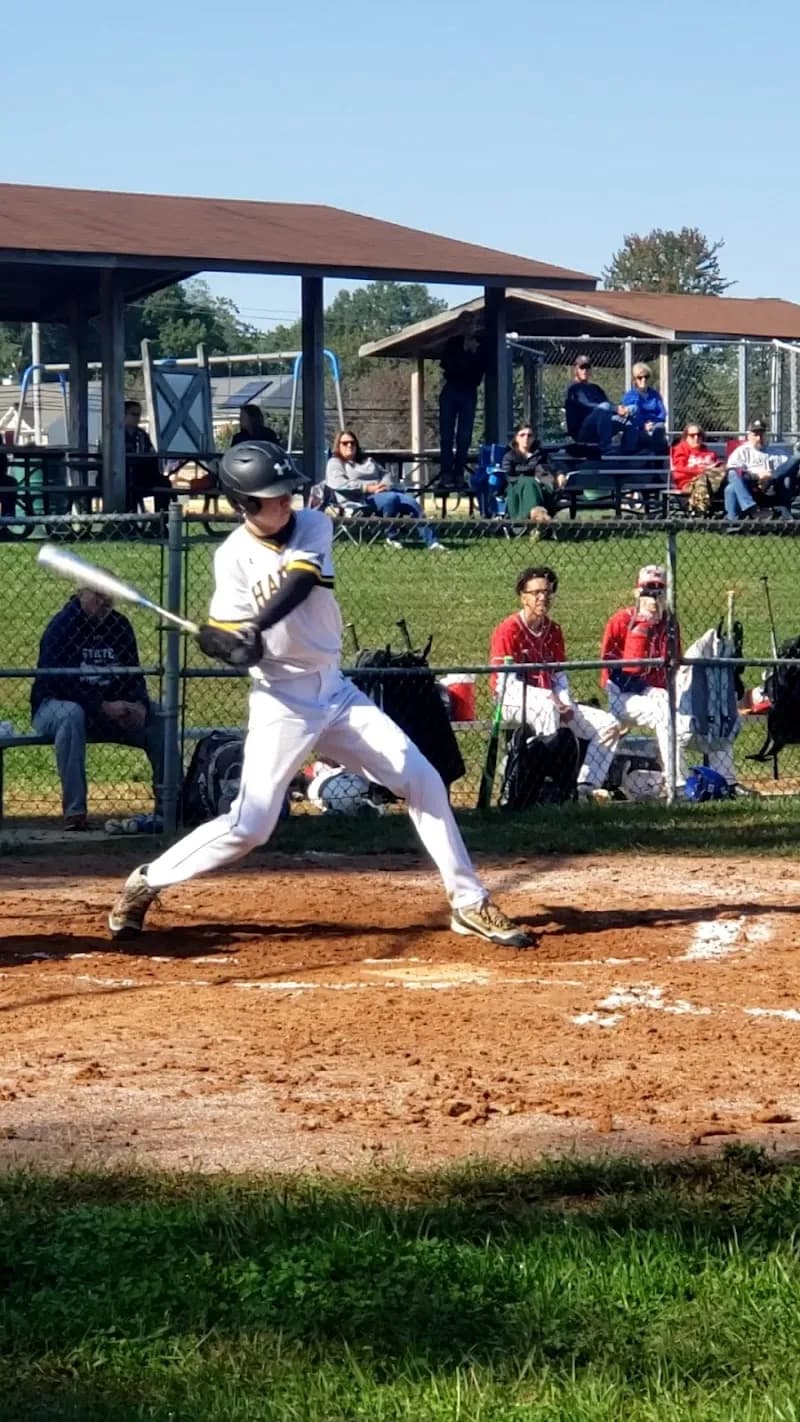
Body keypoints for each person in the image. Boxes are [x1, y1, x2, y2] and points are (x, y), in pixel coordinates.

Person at [108, 441, 532, 948]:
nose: (285, 499)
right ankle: (148, 880)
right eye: (272, 495)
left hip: (335, 691)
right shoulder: (232, 557)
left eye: (286, 489)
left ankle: (468, 901)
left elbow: (301, 581)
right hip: (281, 701)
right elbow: (235, 643)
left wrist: (254, 627)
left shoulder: (313, 524)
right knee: (250, 826)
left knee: (423, 780)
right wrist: (227, 644)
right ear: (243, 503)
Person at [31, 589, 165, 831]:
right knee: (71, 714)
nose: (105, 601)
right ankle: (75, 813)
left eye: (109, 595)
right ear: (82, 593)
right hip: (53, 707)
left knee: (159, 716)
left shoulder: (120, 625)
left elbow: (134, 675)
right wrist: (101, 706)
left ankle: (171, 809)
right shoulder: (62, 626)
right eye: (98, 594)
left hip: (108, 712)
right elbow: (58, 684)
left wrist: (138, 705)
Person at [490, 566, 621, 798]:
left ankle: (585, 787)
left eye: (547, 592)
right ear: (523, 597)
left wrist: (565, 702)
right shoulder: (508, 630)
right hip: (511, 699)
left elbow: (559, 676)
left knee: (608, 725)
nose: (543, 597)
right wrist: (549, 698)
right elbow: (504, 683)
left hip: (551, 700)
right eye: (536, 593)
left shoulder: (554, 630)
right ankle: (547, 786)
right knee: (547, 708)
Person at [325, 429, 445, 551]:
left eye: (352, 442)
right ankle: (392, 538)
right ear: (338, 446)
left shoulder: (368, 461)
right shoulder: (335, 463)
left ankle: (432, 542)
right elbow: (339, 483)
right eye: (345, 443)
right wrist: (367, 488)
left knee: (412, 502)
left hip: (383, 492)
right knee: (390, 499)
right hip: (359, 500)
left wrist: (384, 485)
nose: (349, 445)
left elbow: (386, 474)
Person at [438, 312, 486, 489]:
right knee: (446, 435)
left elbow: (480, 370)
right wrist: (464, 352)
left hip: (468, 391)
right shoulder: (452, 343)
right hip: (451, 389)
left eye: (471, 323)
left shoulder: (480, 345)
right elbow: (447, 367)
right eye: (464, 323)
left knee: (464, 436)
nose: (468, 326)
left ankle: (459, 473)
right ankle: (446, 474)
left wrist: (472, 354)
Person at [724, 417, 800, 521]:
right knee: (731, 485)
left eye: (761, 434)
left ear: (766, 435)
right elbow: (732, 472)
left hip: (774, 485)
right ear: (749, 436)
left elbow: (789, 466)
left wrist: (770, 476)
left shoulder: (776, 452)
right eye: (755, 435)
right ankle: (746, 510)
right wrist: (757, 475)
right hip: (751, 486)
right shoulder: (741, 452)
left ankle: (786, 517)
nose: (759, 438)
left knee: (795, 459)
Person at [564, 356, 633, 452]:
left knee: (632, 410)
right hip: (582, 432)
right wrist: (615, 409)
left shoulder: (595, 388)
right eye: (582, 368)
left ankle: (630, 450)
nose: (585, 371)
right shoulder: (573, 388)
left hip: (601, 426)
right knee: (604, 407)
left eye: (587, 368)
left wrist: (622, 410)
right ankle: (605, 448)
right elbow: (587, 405)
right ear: (575, 369)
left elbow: (608, 405)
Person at [500, 425, 559, 521]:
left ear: (534, 438)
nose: (526, 438)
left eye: (529, 435)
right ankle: (537, 514)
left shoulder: (541, 454)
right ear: (516, 438)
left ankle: (536, 515)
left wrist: (560, 475)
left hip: (539, 484)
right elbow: (508, 476)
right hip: (515, 485)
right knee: (529, 482)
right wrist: (526, 478)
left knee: (542, 487)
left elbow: (552, 468)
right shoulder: (509, 456)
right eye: (522, 435)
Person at [124, 401, 172, 513]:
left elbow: (151, 455)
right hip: (120, 477)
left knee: (164, 482)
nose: (138, 418)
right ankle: (127, 518)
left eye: (139, 415)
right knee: (127, 485)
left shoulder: (142, 435)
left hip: (141, 475)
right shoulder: (114, 434)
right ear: (123, 415)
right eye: (134, 414)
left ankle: (160, 518)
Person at [670, 423, 726, 514]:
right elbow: (678, 468)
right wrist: (702, 471)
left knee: (729, 472)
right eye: (692, 435)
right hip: (690, 483)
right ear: (686, 437)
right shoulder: (680, 450)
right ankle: (700, 509)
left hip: (713, 482)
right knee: (705, 477)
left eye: (699, 435)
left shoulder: (709, 453)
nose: (696, 438)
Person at [619, 363, 668, 455]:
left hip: (654, 425)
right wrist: (643, 425)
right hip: (638, 428)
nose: (644, 379)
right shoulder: (630, 396)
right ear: (635, 380)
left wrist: (653, 423)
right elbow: (633, 415)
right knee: (638, 433)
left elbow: (662, 413)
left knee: (660, 428)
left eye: (646, 376)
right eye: (640, 377)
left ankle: (655, 457)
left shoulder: (655, 394)